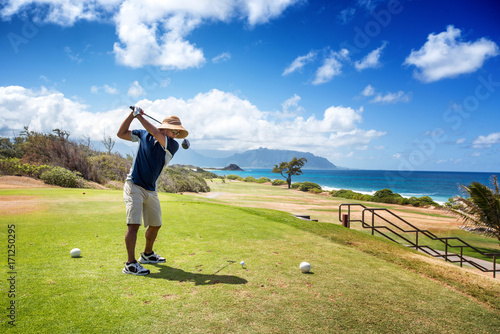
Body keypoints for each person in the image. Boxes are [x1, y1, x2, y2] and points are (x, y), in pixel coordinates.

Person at [117, 107, 188, 275]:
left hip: (151, 189)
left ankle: (147, 254)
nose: (176, 135)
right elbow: (121, 133)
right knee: (133, 224)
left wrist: (139, 116)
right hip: (133, 184)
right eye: (174, 131)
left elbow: (156, 133)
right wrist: (131, 115)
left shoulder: (172, 145)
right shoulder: (143, 135)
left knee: (156, 224)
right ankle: (130, 264)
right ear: (166, 127)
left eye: (178, 132)